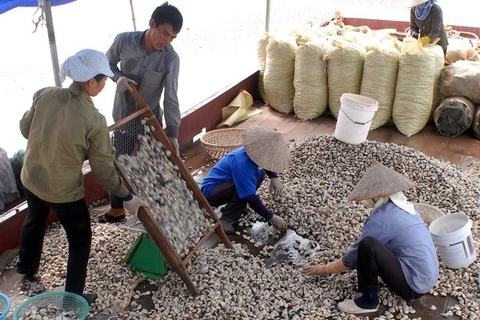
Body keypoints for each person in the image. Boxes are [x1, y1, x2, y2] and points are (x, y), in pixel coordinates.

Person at [17, 49, 147, 304]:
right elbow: (103, 170)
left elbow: (25, 129)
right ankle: (73, 297)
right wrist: (127, 196)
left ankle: (26, 267)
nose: (105, 85)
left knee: (34, 218)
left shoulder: (45, 94)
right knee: (79, 238)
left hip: (31, 178)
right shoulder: (93, 120)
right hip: (62, 191)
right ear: (91, 82)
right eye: (104, 81)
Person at [302, 162, 439, 314]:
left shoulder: (383, 218)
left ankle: (368, 301)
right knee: (375, 245)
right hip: (428, 277)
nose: (368, 200)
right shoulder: (406, 207)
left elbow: (353, 257)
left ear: (379, 196)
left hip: (413, 286)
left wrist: (324, 269)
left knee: (367, 246)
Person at [101, 2, 183, 223]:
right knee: (120, 160)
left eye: (172, 37)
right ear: (152, 24)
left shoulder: (170, 58)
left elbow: (171, 96)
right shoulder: (124, 41)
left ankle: (159, 210)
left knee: (153, 162)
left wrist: (173, 133)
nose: (166, 41)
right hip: (123, 115)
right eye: (165, 33)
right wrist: (118, 78)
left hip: (149, 118)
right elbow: (105, 63)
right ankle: (117, 209)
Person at [201, 127, 290, 235]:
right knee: (245, 189)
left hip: (226, 186)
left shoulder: (254, 154)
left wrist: (273, 177)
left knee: (259, 174)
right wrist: (271, 217)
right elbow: (250, 195)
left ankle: (236, 206)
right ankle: (226, 219)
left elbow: (265, 161)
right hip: (212, 193)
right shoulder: (241, 162)